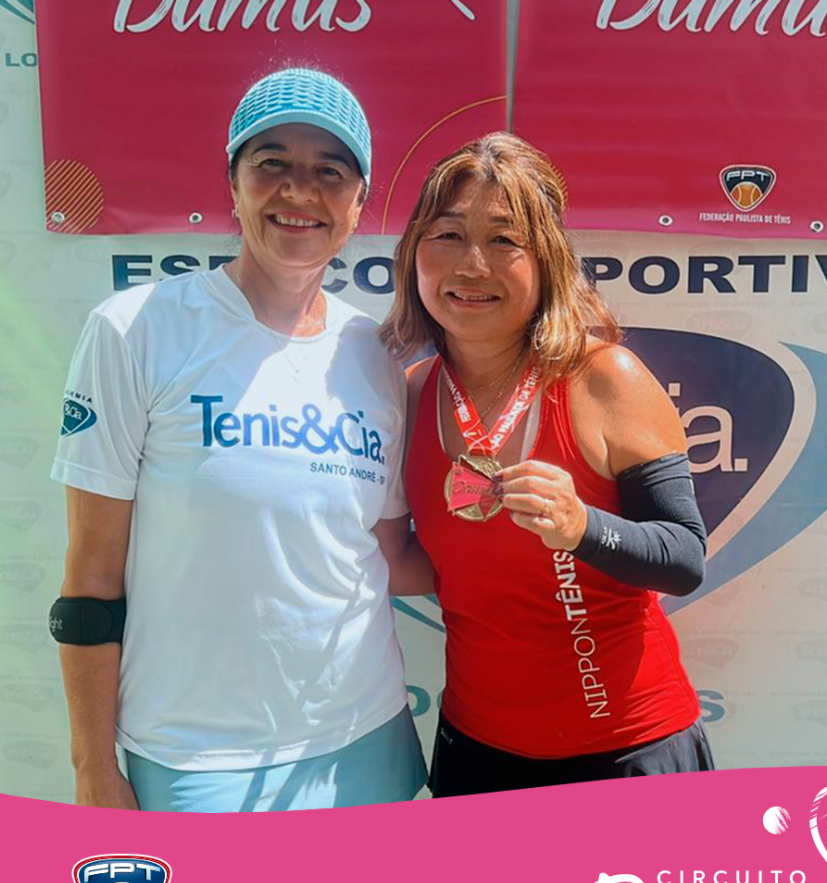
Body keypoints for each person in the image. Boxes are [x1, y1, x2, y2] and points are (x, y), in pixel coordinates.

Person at [49, 68, 431, 812]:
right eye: (272, 163)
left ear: (359, 203)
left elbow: (391, 557)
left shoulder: (376, 356)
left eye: (330, 171)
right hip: (196, 758)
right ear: (233, 184)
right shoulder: (135, 331)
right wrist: (93, 767)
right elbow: (91, 578)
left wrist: (541, 562)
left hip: (367, 738)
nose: (299, 191)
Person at [381, 133, 713, 796]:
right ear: (414, 251)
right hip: (477, 748)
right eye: (448, 235)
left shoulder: (604, 377)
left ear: (548, 260)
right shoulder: (410, 394)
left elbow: (684, 559)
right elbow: (430, 565)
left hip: (625, 749)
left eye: (504, 240)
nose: (472, 265)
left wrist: (581, 527)